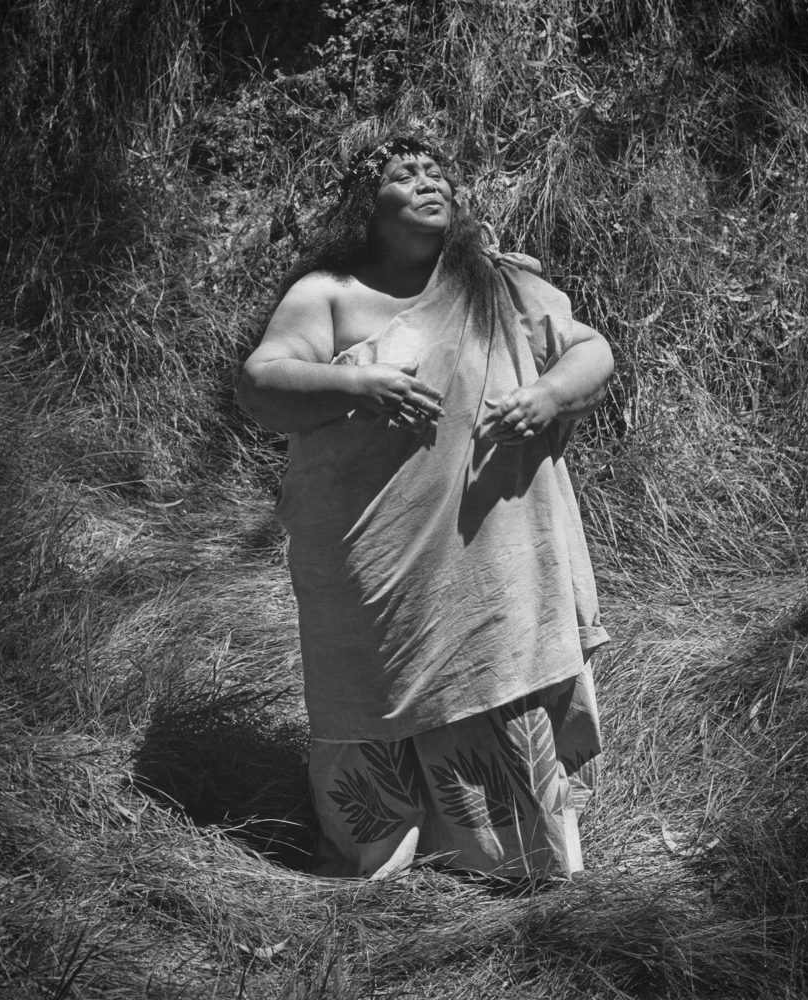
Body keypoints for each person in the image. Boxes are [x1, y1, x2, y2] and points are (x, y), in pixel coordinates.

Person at [238, 129, 614, 881]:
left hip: (493, 550)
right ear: (364, 205)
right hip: (373, 557)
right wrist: (355, 384)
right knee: (375, 684)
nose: (427, 181)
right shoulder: (329, 296)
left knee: (494, 670)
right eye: (403, 174)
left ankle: (508, 858)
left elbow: (592, 350)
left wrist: (545, 396)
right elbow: (260, 386)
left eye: (436, 170)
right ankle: (387, 853)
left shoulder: (497, 285)